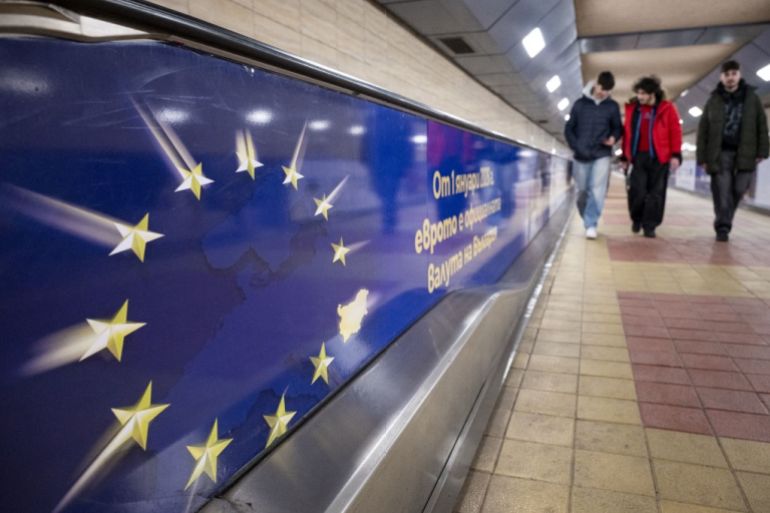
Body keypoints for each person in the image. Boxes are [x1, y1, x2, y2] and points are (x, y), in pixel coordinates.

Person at [696, 60, 769, 242]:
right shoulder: (713, 100)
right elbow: (703, 129)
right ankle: (723, 227)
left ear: (739, 75)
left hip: (746, 153)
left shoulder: (752, 98)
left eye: (734, 74)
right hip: (720, 153)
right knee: (722, 191)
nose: (730, 78)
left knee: (738, 190)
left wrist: (763, 150)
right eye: (727, 74)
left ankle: (724, 218)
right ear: (722, 77)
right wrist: (702, 157)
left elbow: (762, 124)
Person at [620, 76, 682, 238]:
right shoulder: (634, 109)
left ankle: (650, 225)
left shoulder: (667, 108)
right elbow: (627, 133)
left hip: (659, 158)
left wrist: (675, 154)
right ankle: (637, 218)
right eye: (638, 93)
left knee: (656, 194)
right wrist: (624, 157)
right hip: (638, 157)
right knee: (637, 192)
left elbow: (675, 131)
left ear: (652, 94)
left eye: (643, 93)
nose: (640, 96)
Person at [564, 71, 622, 239]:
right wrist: (576, 146)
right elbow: (569, 129)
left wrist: (613, 138)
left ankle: (591, 223)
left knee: (597, 190)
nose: (603, 92)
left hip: (601, 153)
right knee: (582, 191)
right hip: (581, 155)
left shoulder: (612, 107)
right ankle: (587, 216)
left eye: (607, 90)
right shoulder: (580, 104)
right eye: (602, 88)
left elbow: (618, 127)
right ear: (595, 84)